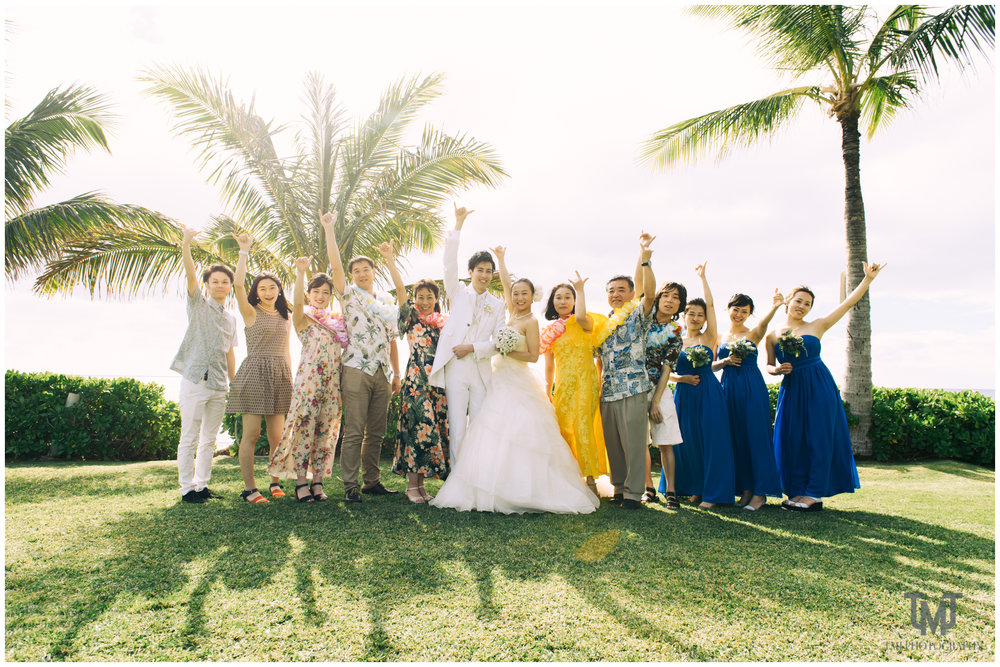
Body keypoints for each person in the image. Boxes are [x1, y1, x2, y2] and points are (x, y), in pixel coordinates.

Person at [430, 246, 599, 514]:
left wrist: (506, 349)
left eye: (524, 293)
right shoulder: (510, 313)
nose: (519, 297)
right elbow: (507, 284)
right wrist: (501, 260)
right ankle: (479, 482)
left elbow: (533, 356)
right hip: (498, 377)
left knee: (519, 432)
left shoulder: (531, 321)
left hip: (517, 378)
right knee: (487, 429)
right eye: (516, 293)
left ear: (533, 297)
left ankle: (520, 488)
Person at [765, 262, 886, 512]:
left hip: (818, 387)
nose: (802, 306)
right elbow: (767, 364)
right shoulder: (773, 334)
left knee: (818, 439)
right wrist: (776, 370)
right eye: (798, 301)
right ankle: (797, 491)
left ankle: (814, 494)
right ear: (788, 301)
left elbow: (847, 304)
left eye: (807, 304)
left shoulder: (817, 325)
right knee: (793, 439)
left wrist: (867, 280)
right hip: (792, 390)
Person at [321, 211, 401, 503]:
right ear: (352, 276)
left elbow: (392, 340)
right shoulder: (348, 294)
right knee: (354, 430)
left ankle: (372, 481)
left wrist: (395, 373)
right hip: (355, 368)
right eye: (357, 271)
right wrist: (329, 229)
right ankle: (350, 486)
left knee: (376, 432)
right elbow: (335, 265)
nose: (362, 274)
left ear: (374, 272)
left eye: (366, 269)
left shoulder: (385, 301)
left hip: (381, 372)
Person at [428, 205, 507, 466]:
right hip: (457, 370)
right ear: (471, 271)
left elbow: (498, 343)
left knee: (481, 425)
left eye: (489, 271)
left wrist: (472, 347)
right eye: (480, 270)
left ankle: (478, 474)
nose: (484, 275)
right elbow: (448, 262)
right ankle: (457, 476)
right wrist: (458, 224)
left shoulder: (498, 305)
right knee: (458, 426)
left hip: (482, 371)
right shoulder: (457, 292)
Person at [266, 256, 346, 503]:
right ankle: (301, 482)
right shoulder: (303, 318)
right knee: (303, 430)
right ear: (309, 294)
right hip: (308, 384)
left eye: (325, 292)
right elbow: (297, 302)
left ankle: (318, 481)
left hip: (332, 386)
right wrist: (300, 273)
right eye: (316, 292)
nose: (320, 296)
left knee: (325, 431)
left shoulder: (337, 323)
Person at [376, 241, 450, 504]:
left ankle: (421, 486)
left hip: (438, 381)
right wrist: (389, 259)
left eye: (430, 297)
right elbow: (399, 290)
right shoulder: (411, 318)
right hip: (416, 378)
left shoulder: (443, 324)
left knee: (432, 430)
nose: (425, 301)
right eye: (421, 297)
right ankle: (411, 486)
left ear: (437, 299)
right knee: (418, 427)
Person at [170, 225, 238, 504]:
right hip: (195, 379)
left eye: (225, 281)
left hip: (219, 385)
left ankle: (202, 485)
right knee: (189, 436)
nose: (220, 285)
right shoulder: (197, 305)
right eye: (215, 281)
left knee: (209, 439)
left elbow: (230, 353)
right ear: (208, 285)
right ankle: (187, 489)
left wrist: (234, 384)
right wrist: (186, 244)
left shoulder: (231, 318)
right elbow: (189, 275)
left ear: (230, 286)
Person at [226, 233, 293, 504]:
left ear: (278, 290)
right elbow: (239, 284)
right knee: (251, 434)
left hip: (279, 373)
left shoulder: (286, 315)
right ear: (258, 291)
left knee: (277, 436)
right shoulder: (250, 310)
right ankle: (250, 488)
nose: (268, 292)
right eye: (263, 288)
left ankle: (275, 482)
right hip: (254, 372)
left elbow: (287, 349)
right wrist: (244, 251)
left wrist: (291, 376)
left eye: (272, 288)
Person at [596, 233, 657, 510]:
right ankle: (619, 488)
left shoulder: (637, 314)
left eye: (621, 289)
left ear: (632, 293)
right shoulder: (603, 323)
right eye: (611, 290)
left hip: (633, 387)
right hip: (608, 390)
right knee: (614, 443)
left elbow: (651, 293)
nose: (615, 294)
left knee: (633, 442)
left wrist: (645, 259)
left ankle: (634, 493)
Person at [670, 263, 736, 509]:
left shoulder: (709, 337)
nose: (696, 318)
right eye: (691, 314)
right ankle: (695, 488)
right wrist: (681, 379)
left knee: (712, 440)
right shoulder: (675, 339)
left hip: (709, 392)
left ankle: (713, 493)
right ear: (684, 316)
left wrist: (703, 278)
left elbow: (710, 303)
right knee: (688, 441)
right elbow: (663, 373)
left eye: (700, 314)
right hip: (684, 395)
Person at [713, 290, 784, 510]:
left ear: (750, 314)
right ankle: (744, 490)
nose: (739, 314)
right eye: (736, 310)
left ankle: (760, 492)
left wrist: (774, 307)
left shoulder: (752, 333)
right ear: (728, 309)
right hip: (727, 387)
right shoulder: (719, 337)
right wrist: (724, 361)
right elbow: (711, 366)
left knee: (756, 436)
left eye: (745, 311)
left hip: (751, 387)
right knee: (736, 438)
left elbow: (763, 325)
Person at [541, 277, 609, 495]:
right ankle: (568, 478)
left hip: (586, 384)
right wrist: (547, 389)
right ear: (552, 302)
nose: (563, 301)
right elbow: (549, 365)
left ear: (574, 300)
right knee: (565, 430)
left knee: (583, 427)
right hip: (562, 387)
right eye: (558, 298)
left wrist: (580, 289)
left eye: (568, 297)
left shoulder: (584, 321)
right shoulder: (550, 330)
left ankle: (590, 479)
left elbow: (580, 314)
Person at [645, 281, 685, 510]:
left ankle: (671, 492)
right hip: (635, 387)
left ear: (681, 304)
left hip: (659, 388)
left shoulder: (676, 334)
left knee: (666, 442)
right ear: (658, 298)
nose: (670, 300)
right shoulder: (642, 320)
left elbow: (667, 368)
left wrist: (656, 401)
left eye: (676, 297)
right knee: (640, 442)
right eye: (666, 295)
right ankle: (648, 488)